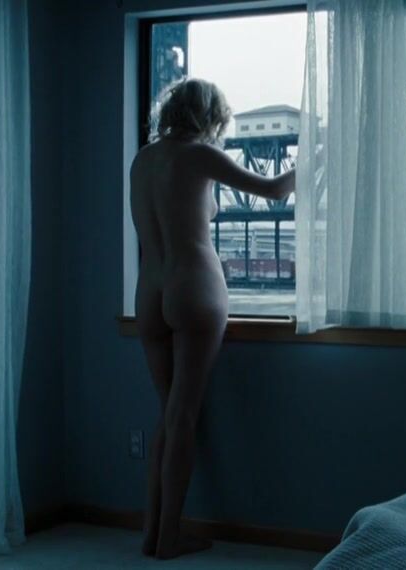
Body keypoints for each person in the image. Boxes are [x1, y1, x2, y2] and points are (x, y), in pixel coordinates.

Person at [129, 78, 295, 559]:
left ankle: (150, 532)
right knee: (184, 416)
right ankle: (169, 538)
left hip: (149, 291)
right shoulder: (200, 155)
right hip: (194, 286)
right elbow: (274, 190)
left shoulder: (143, 160)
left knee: (168, 415)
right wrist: (317, 162)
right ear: (211, 117)